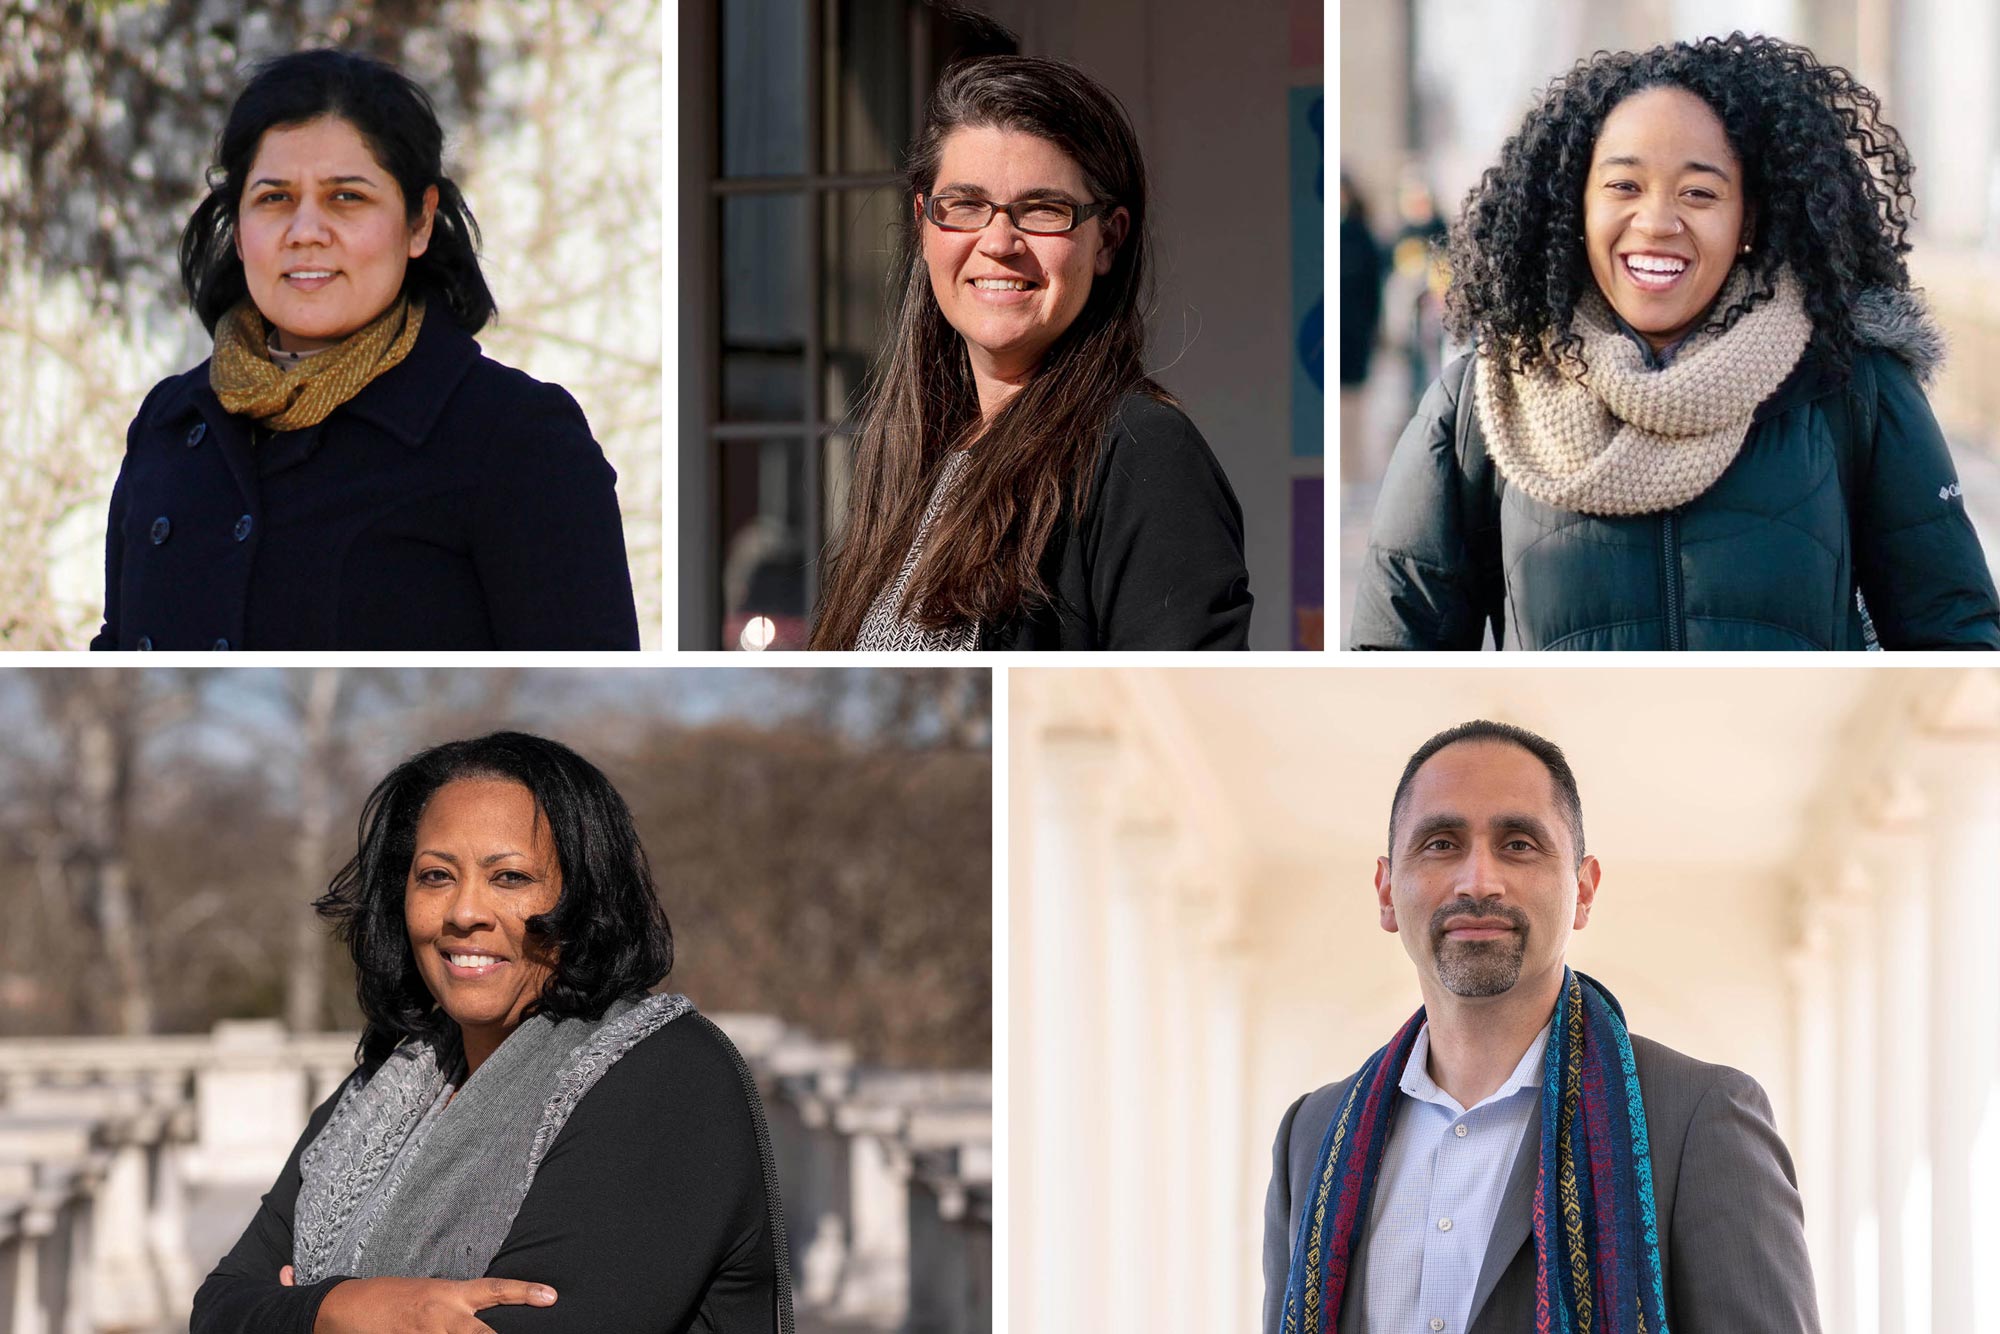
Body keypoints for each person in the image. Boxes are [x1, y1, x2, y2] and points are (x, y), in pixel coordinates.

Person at [1349, 33, 2000, 650]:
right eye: (1623, 186)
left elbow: (1958, 647)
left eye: (1699, 192)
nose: (1656, 221)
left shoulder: (1851, 386)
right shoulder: (1481, 405)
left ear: (1748, 218)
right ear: (1575, 207)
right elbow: (1392, 667)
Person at [190, 733, 789, 1333]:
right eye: (435, 876)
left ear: (584, 896)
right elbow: (216, 1308)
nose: (464, 912)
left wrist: (291, 1310)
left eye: (509, 878)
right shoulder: (383, 1093)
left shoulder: (664, 1076)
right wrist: (352, 1309)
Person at [1262, 720, 1819, 1333]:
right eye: (1441, 843)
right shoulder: (1309, 1135)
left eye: (1519, 844)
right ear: (1387, 890)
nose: (1479, 881)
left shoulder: (1702, 1118)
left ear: (1583, 890)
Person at [92, 50, 640, 650]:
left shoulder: (515, 438)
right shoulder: (171, 424)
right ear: (240, 230)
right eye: (274, 198)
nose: (305, 231)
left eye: (346, 197)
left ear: (419, 222)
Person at [809, 55, 1253, 650]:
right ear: (923, 224)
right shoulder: (914, 456)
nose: (997, 242)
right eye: (965, 204)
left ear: (1108, 240)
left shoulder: (1145, 456)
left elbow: (1181, 717)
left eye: (1043, 209)